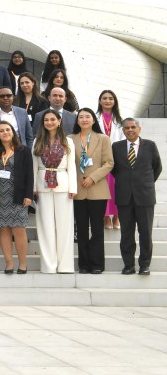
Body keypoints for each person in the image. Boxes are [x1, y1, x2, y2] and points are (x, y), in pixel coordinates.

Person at [111, 118, 162, 275]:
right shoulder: (116, 147)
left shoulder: (150, 145)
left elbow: (157, 167)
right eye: (127, 128)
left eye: (133, 127)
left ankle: (144, 265)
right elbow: (114, 169)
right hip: (124, 196)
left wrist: (144, 183)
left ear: (139, 129)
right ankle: (128, 265)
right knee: (126, 233)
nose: (130, 130)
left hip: (144, 196)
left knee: (145, 232)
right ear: (123, 131)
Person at [33, 110, 77, 274]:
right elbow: (34, 165)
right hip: (42, 184)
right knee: (45, 226)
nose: (49, 122)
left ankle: (65, 265)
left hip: (63, 185)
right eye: (46, 120)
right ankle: (48, 265)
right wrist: (34, 188)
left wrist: (73, 187)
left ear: (59, 121)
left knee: (64, 226)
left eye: (53, 119)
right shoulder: (38, 141)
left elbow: (71, 166)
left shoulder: (68, 141)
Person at [71, 108, 115, 274]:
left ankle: (97, 264)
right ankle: (83, 264)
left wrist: (92, 178)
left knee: (97, 229)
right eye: (80, 117)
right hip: (77, 190)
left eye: (87, 116)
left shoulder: (103, 139)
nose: (84, 119)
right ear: (77, 121)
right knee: (81, 229)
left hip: (97, 189)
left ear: (94, 120)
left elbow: (109, 163)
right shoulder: (70, 139)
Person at [0, 121, 34, 274]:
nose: (5, 132)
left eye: (8, 129)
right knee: (3, 229)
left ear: (13, 132)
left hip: (18, 195)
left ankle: (23, 264)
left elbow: (30, 174)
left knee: (19, 229)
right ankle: (9, 263)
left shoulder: (23, 151)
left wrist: (29, 195)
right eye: (1, 130)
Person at [97, 90, 125, 230]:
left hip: (116, 158)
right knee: (104, 188)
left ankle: (117, 216)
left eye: (110, 98)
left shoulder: (120, 119)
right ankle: (106, 217)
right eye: (104, 98)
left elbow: (124, 138)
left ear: (114, 101)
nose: (107, 101)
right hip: (100, 158)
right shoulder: (95, 117)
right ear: (100, 101)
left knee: (116, 188)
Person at [0, 87, 34, 152]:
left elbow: (29, 136)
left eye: (8, 95)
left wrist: (28, 152)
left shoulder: (22, 112)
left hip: (20, 151)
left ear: (13, 97)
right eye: (2, 96)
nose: (5, 98)